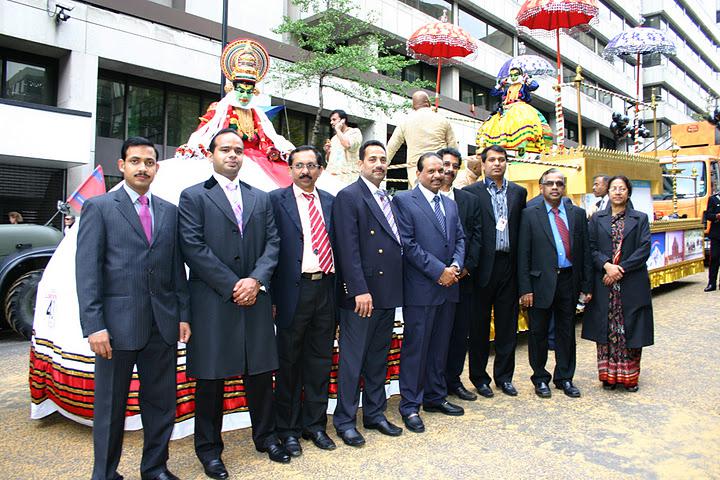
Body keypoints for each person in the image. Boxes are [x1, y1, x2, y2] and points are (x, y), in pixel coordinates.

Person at [76, 136, 191, 480]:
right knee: (110, 406)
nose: (143, 168)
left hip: (162, 325)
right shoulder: (100, 208)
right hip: (115, 329)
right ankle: (104, 473)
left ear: (157, 167)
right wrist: (94, 325)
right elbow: (87, 272)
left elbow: (177, 270)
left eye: (149, 162)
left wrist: (183, 315)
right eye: (136, 161)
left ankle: (155, 468)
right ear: (122, 165)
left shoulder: (169, 211)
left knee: (161, 403)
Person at [178, 128, 289, 479]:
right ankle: (209, 450)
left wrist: (255, 280)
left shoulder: (261, 198)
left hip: (256, 298)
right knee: (211, 380)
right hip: (213, 302)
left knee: (260, 374)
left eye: (238, 150)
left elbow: (273, 244)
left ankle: (266, 437)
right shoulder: (193, 196)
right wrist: (233, 285)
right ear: (211, 154)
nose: (232, 155)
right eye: (225, 149)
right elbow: (193, 248)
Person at [332, 140, 404, 446]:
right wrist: (358, 289)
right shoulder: (349, 196)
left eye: (382, 159)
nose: (378, 164)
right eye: (372, 159)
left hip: (386, 293)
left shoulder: (387, 197)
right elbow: (346, 248)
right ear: (360, 163)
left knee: (377, 358)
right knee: (353, 361)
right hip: (362, 296)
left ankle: (374, 414)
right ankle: (345, 420)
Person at [269, 145, 337, 456]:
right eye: (299, 165)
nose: (305, 171)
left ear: (320, 169)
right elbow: (268, 249)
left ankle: (315, 425)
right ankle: (288, 429)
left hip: (326, 289)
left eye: (311, 165)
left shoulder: (332, 202)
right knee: (289, 362)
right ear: (290, 169)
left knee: (320, 361)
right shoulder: (274, 201)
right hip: (292, 291)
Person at [393, 152, 465, 433]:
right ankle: (410, 406)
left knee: (439, 348)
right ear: (418, 173)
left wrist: (455, 266)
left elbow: (460, 239)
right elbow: (408, 244)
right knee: (417, 349)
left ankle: (435, 397)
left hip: (449, 288)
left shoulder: (450, 204)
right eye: (431, 171)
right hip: (422, 288)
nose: (437, 175)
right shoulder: (403, 201)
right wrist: (439, 271)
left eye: (441, 170)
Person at [176, 38, 294, 188]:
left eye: (249, 92)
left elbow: (266, 139)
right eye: (241, 90)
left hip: (258, 160)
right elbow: (204, 133)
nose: (244, 95)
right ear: (232, 88)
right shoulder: (219, 109)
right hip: (228, 158)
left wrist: (273, 149)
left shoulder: (257, 114)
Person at [518, 168, 592, 399]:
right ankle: (540, 378)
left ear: (564, 187)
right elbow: (523, 254)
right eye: (550, 183)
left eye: (559, 183)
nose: (555, 187)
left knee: (566, 331)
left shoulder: (577, 214)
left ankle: (565, 377)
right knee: (538, 333)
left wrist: (587, 286)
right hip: (540, 283)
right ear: (541, 187)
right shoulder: (529, 214)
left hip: (569, 280)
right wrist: (525, 288)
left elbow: (585, 252)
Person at [463, 145, 527, 398]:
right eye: (492, 160)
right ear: (483, 164)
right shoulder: (471, 193)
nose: (497, 164)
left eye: (501, 159)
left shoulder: (519, 193)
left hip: (509, 266)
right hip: (481, 269)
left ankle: (504, 377)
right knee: (478, 327)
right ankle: (479, 378)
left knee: (507, 327)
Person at [582, 176, 654, 392]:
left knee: (631, 329)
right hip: (604, 283)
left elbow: (644, 249)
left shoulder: (640, 218)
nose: (618, 192)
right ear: (608, 192)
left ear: (628, 192)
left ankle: (630, 378)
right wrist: (606, 266)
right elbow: (590, 247)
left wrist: (618, 270)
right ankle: (609, 377)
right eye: (614, 188)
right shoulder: (597, 218)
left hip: (631, 281)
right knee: (606, 329)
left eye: (622, 188)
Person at [438, 148, 483, 402]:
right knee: (434, 335)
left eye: (455, 166)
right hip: (431, 279)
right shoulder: (419, 198)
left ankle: (453, 381)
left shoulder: (468, 200)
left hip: (462, 279)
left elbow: (476, 237)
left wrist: (464, 268)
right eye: (445, 164)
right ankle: (432, 383)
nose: (449, 170)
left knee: (458, 333)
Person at [386, 91, 458, 187]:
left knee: (417, 195)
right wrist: (456, 167)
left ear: (413, 106)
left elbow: (391, 147)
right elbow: (453, 148)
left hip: (416, 170)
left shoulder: (405, 122)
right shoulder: (442, 120)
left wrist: (384, 164)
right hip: (439, 169)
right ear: (428, 103)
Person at [476, 67, 552, 154]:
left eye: (516, 75)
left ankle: (524, 152)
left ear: (521, 75)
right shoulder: (507, 88)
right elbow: (494, 93)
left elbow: (535, 86)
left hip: (521, 108)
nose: (513, 77)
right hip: (506, 109)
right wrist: (500, 84)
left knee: (528, 126)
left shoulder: (523, 86)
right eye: (511, 75)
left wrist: (527, 79)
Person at [323, 109, 362, 184]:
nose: (331, 122)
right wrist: (328, 152)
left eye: (334, 119)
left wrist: (338, 129)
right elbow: (329, 160)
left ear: (343, 120)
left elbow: (348, 145)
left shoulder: (355, 132)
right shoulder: (334, 138)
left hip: (349, 177)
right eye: (331, 120)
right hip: (333, 178)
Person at [703, 189, 720, 291]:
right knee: (714, 258)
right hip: (716, 235)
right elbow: (708, 215)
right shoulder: (713, 199)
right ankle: (711, 283)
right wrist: (716, 216)